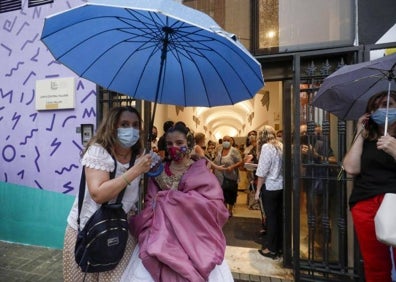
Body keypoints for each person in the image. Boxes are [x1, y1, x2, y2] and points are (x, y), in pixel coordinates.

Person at [121, 122, 233, 281]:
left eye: (179, 143)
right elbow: (150, 203)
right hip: (161, 234)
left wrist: (170, 199)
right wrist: (160, 205)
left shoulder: (201, 171)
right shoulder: (158, 171)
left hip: (194, 236)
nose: (174, 147)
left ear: (189, 143)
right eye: (170, 144)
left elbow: (214, 206)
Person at [62, 106, 153, 282]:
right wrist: (135, 171)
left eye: (135, 125)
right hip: (87, 230)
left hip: (120, 231)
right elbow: (98, 194)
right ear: (112, 127)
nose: (131, 130)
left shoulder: (140, 156)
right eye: (124, 124)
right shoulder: (98, 151)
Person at [342, 90, 396, 282]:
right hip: (365, 204)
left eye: (388, 104)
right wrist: (360, 133)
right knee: (375, 264)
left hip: (394, 203)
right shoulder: (368, 138)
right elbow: (350, 168)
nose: (382, 110)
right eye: (376, 107)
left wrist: (395, 150)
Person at [255, 125, 283, 259]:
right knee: (278, 218)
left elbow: (262, 171)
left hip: (270, 186)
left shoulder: (267, 147)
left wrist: (258, 190)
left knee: (271, 219)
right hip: (281, 186)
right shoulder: (280, 145)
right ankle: (279, 246)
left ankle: (271, 249)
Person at [214, 135, 243, 217]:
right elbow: (216, 161)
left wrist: (232, 167)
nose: (226, 142)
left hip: (231, 176)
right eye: (224, 140)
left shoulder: (234, 151)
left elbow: (240, 162)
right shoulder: (219, 149)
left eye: (228, 140)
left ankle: (230, 210)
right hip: (220, 175)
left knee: (231, 194)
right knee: (222, 193)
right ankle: (224, 209)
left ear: (232, 142)